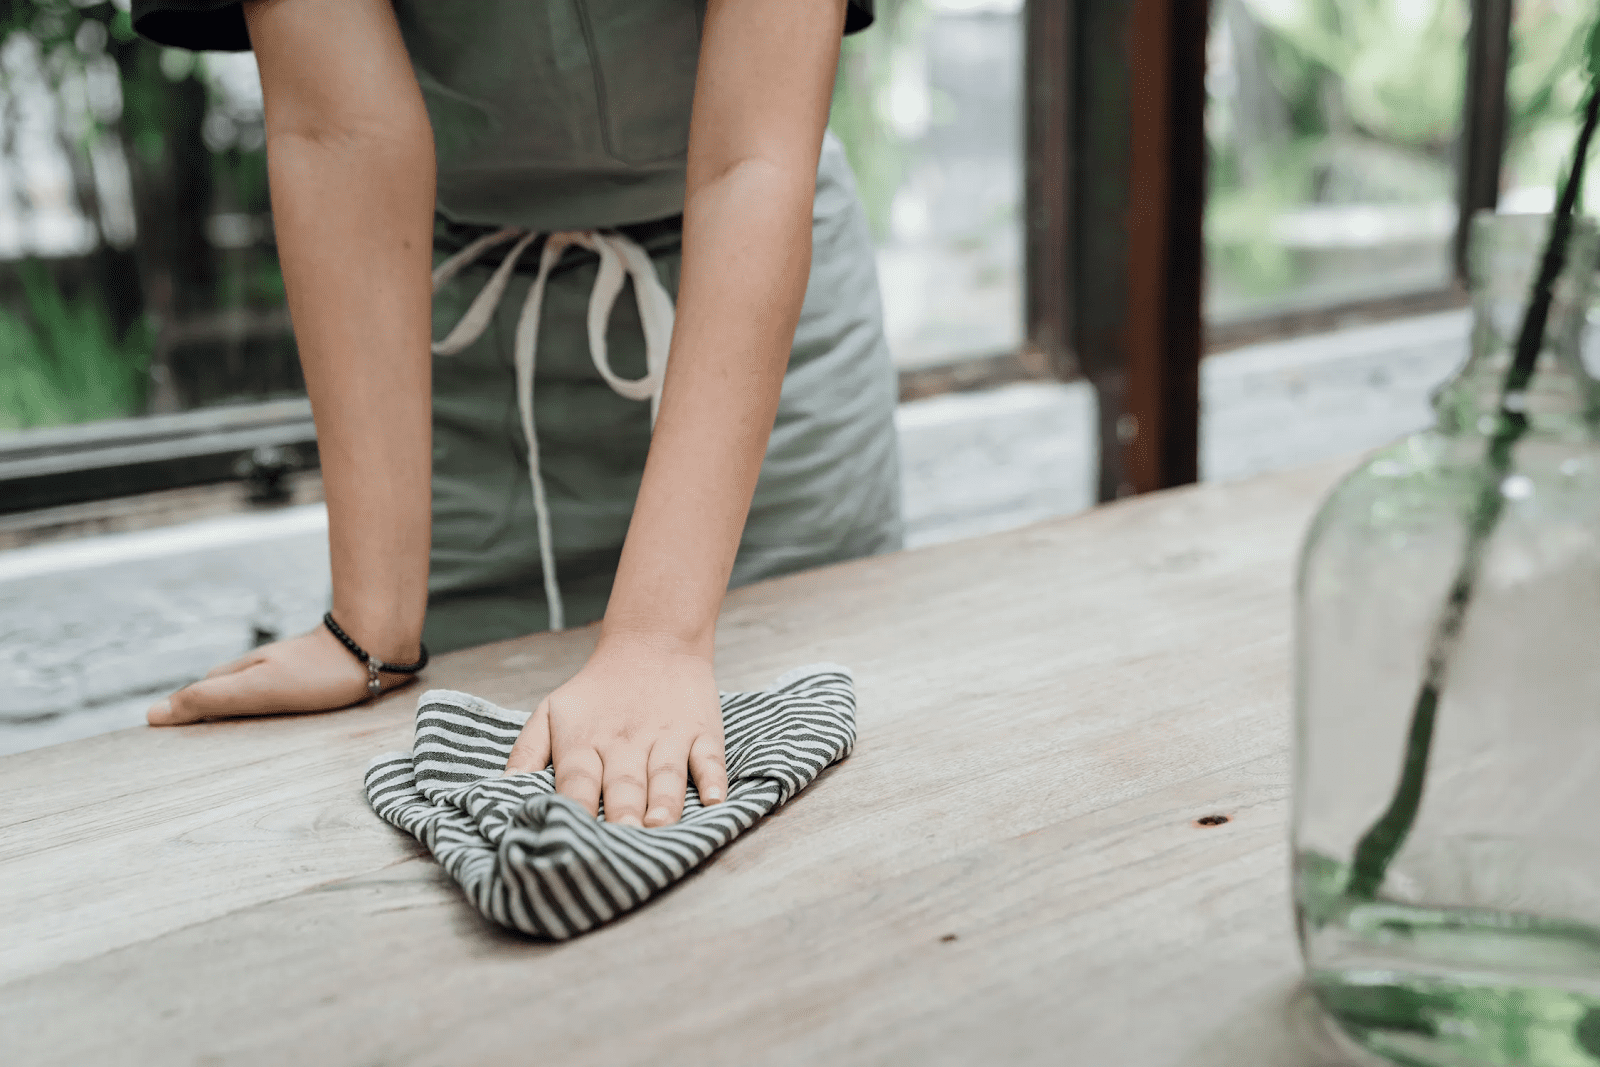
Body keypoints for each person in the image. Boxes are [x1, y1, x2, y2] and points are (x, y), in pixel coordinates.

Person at [132, 0, 903, 830]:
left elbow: (750, 161)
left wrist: (659, 639)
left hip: (754, 344)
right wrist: (371, 629)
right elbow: (340, 135)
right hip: (449, 352)